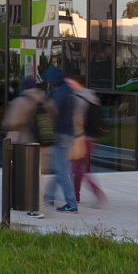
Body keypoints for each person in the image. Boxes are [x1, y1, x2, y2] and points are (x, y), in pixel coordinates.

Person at [3, 75, 56, 219]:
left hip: (29, 146)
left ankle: (38, 209)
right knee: (38, 177)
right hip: (46, 143)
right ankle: (29, 204)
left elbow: (12, 122)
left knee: (33, 178)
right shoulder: (46, 100)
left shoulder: (21, 101)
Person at [66, 73, 108, 209]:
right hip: (91, 138)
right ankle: (76, 196)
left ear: (76, 84)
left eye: (69, 83)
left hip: (81, 138)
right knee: (81, 168)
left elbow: (75, 121)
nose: (68, 86)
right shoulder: (91, 96)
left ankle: (98, 195)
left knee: (78, 169)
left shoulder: (78, 99)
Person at [41, 66, 78, 213]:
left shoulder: (60, 92)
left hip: (61, 135)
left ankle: (71, 204)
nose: (48, 83)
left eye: (49, 80)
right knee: (58, 167)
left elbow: (52, 112)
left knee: (62, 171)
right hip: (68, 134)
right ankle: (49, 196)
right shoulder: (68, 90)